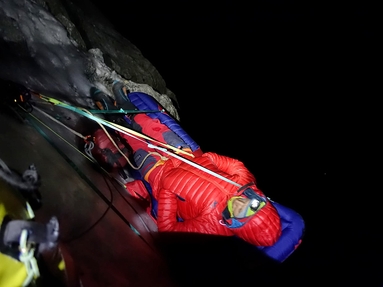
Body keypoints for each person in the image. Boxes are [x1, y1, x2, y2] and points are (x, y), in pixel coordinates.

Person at [90, 82, 282, 247]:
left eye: (241, 212)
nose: (241, 203)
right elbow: (236, 165)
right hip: (183, 154)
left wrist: (166, 191)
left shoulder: (212, 227)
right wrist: (207, 159)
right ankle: (127, 109)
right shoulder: (245, 184)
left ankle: (114, 117)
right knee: (154, 127)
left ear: (236, 225)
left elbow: (169, 228)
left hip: (158, 175)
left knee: (136, 142)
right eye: (253, 204)